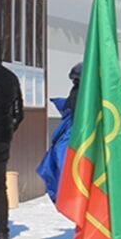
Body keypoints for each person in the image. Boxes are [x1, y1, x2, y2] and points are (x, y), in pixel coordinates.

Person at [0, 33, 24, 239]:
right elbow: (18, 113)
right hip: (1, 141)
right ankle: (2, 233)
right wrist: (6, 131)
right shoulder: (10, 78)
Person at [37, 63, 81, 203]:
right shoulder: (81, 91)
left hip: (72, 135)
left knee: (60, 165)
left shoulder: (79, 91)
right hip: (73, 134)